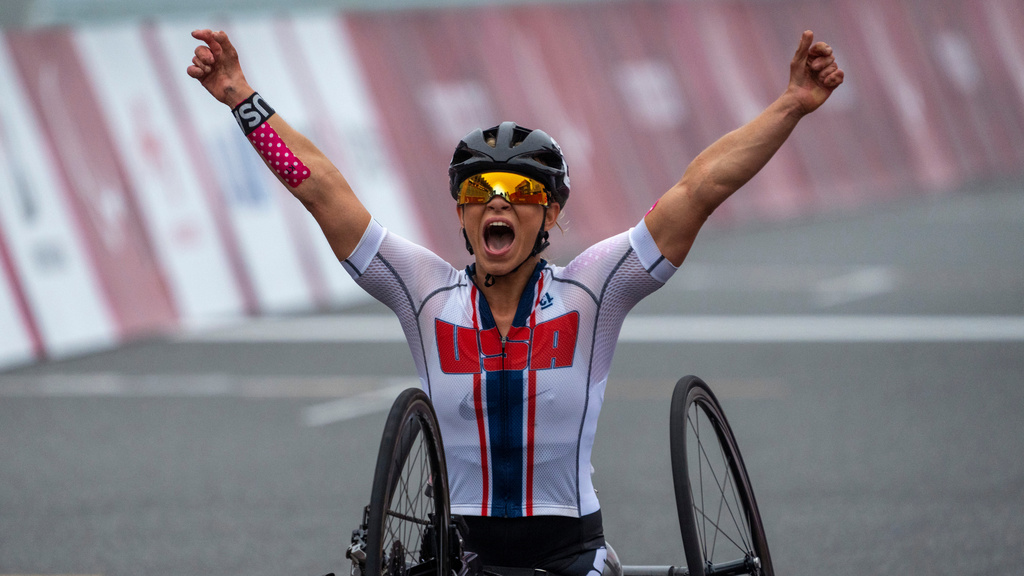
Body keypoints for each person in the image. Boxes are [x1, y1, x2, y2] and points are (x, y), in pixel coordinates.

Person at [188, 27, 842, 576]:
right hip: (460, 555)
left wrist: (791, 105)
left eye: (522, 191)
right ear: (461, 213)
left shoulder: (593, 289)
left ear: (550, 213)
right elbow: (320, 188)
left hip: (571, 552)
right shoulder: (424, 292)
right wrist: (241, 98)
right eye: (478, 191)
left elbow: (700, 188)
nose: (497, 202)